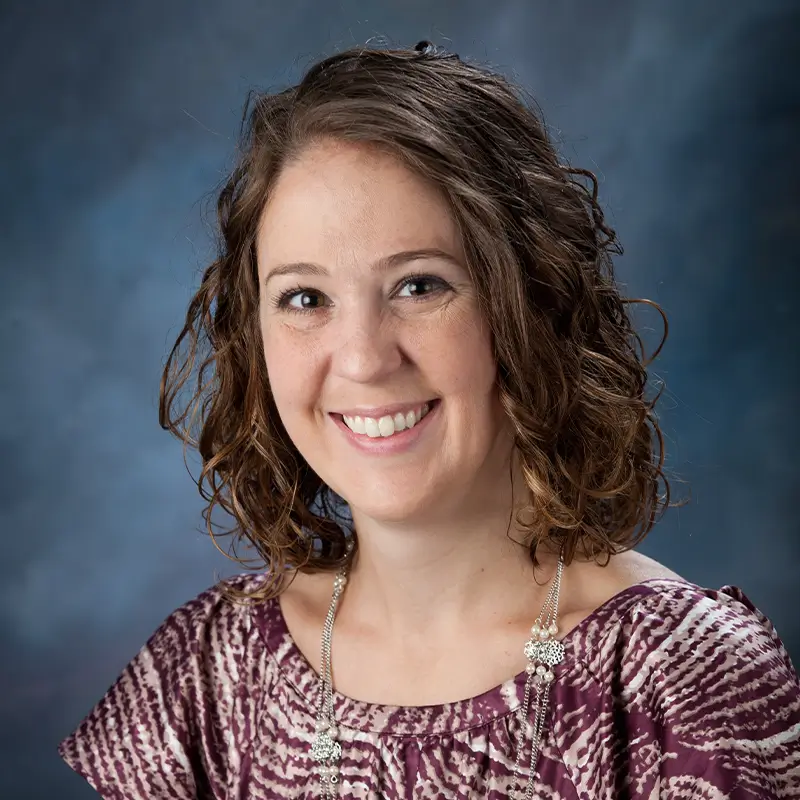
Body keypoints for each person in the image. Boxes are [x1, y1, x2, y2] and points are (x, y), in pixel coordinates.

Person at [58, 41, 800, 799]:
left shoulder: (679, 685)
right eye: (305, 299)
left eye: (418, 285)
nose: (363, 360)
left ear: (530, 302)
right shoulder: (205, 677)